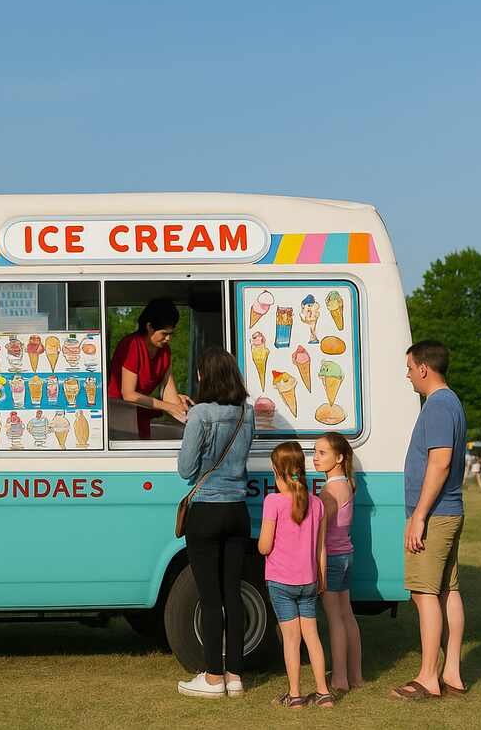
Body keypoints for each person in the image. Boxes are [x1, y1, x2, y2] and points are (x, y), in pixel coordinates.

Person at [175, 349, 254, 699]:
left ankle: (212, 677)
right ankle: (235, 676)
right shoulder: (246, 413)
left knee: (210, 598)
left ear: (204, 377)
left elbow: (186, 470)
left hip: (206, 510)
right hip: (238, 508)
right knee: (233, 594)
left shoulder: (199, 414)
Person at [394, 339, 466, 700]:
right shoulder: (450, 402)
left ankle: (428, 676)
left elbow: (440, 462)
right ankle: (451, 671)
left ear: (424, 367)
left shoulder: (438, 405)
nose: (408, 376)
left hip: (435, 514)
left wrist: (419, 516)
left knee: (424, 593)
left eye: (409, 368)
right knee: (448, 591)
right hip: (449, 510)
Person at [259, 441, 332, 709]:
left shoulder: (273, 502)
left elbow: (265, 546)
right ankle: (324, 692)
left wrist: (260, 544)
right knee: (311, 635)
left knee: (291, 639)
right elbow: (321, 547)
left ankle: (295, 694)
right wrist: (322, 578)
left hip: (281, 582)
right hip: (310, 580)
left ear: (278, 472)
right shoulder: (317, 503)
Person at [314, 432, 363, 694]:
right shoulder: (346, 484)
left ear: (340, 457)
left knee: (334, 618)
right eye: (315, 452)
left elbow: (319, 531)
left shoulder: (330, 490)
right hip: (345, 554)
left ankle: (340, 679)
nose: (315, 458)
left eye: (322, 453)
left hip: (332, 557)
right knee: (347, 615)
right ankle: (356, 676)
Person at [106, 298, 192, 439]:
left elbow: (169, 396)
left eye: (171, 334)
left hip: (141, 415)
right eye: (165, 333)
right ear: (149, 327)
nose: (168, 339)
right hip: (119, 417)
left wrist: (184, 410)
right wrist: (168, 406)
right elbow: (129, 394)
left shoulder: (165, 351)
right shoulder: (132, 345)